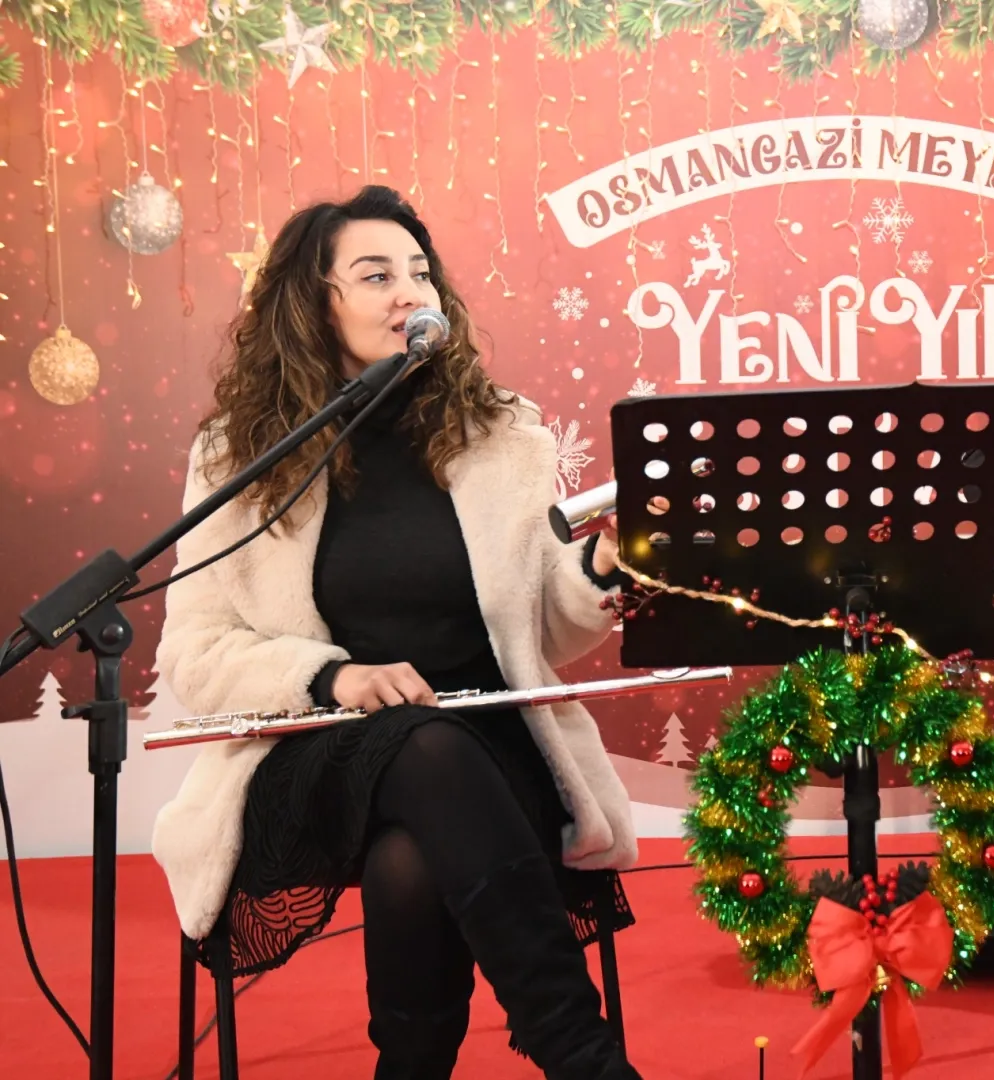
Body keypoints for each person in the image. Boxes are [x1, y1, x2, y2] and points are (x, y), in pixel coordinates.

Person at [149, 185, 642, 1080]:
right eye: (377, 276)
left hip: (490, 744)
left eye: (420, 273)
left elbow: (539, 627)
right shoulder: (239, 453)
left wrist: (600, 571)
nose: (410, 292)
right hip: (319, 749)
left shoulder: (500, 432)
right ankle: (581, 1053)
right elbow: (196, 650)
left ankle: (423, 1068)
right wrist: (333, 676)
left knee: (411, 851)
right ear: (313, 304)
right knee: (420, 748)